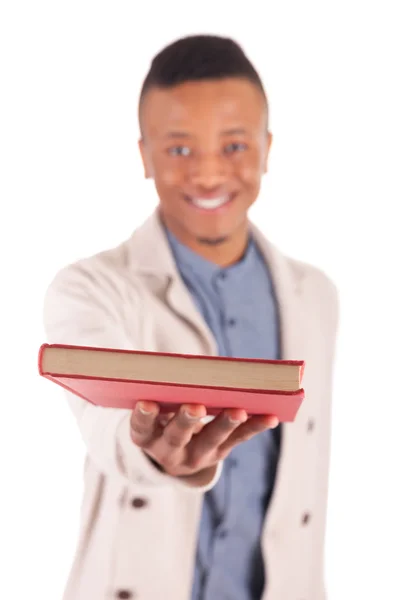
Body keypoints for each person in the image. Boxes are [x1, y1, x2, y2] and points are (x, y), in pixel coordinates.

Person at [43, 34, 339, 600]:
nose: (207, 175)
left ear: (267, 148)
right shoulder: (90, 288)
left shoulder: (316, 296)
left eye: (233, 146)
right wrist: (153, 448)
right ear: (145, 156)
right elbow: (103, 422)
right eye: (179, 150)